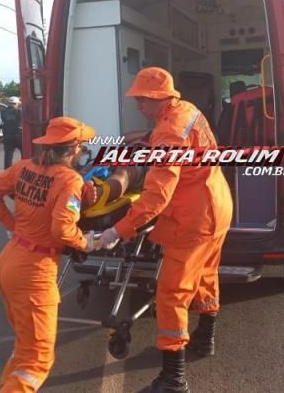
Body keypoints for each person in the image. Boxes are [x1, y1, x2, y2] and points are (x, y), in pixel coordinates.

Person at [98, 67, 233, 393]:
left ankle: (173, 380)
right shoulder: (186, 110)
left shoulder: (168, 132)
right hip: (217, 204)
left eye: (142, 101)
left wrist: (118, 230)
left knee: (171, 295)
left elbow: (156, 196)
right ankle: (205, 337)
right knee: (205, 276)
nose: (138, 107)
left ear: (159, 99)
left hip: (194, 218)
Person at [0, 116, 101, 393]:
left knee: (25, 345)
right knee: (37, 358)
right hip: (34, 272)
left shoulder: (23, 168)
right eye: (81, 146)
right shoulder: (69, 180)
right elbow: (62, 230)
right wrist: (87, 244)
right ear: (72, 149)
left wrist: (13, 227)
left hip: (10, 260)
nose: (82, 151)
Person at [0, 96, 24, 169]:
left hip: (7, 138)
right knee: (25, 156)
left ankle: (7, 174)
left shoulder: (3, 112)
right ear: (17, 104)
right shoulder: (21, 112)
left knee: (8, 158)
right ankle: (24, 171)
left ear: (8, 103)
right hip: (19, 138)